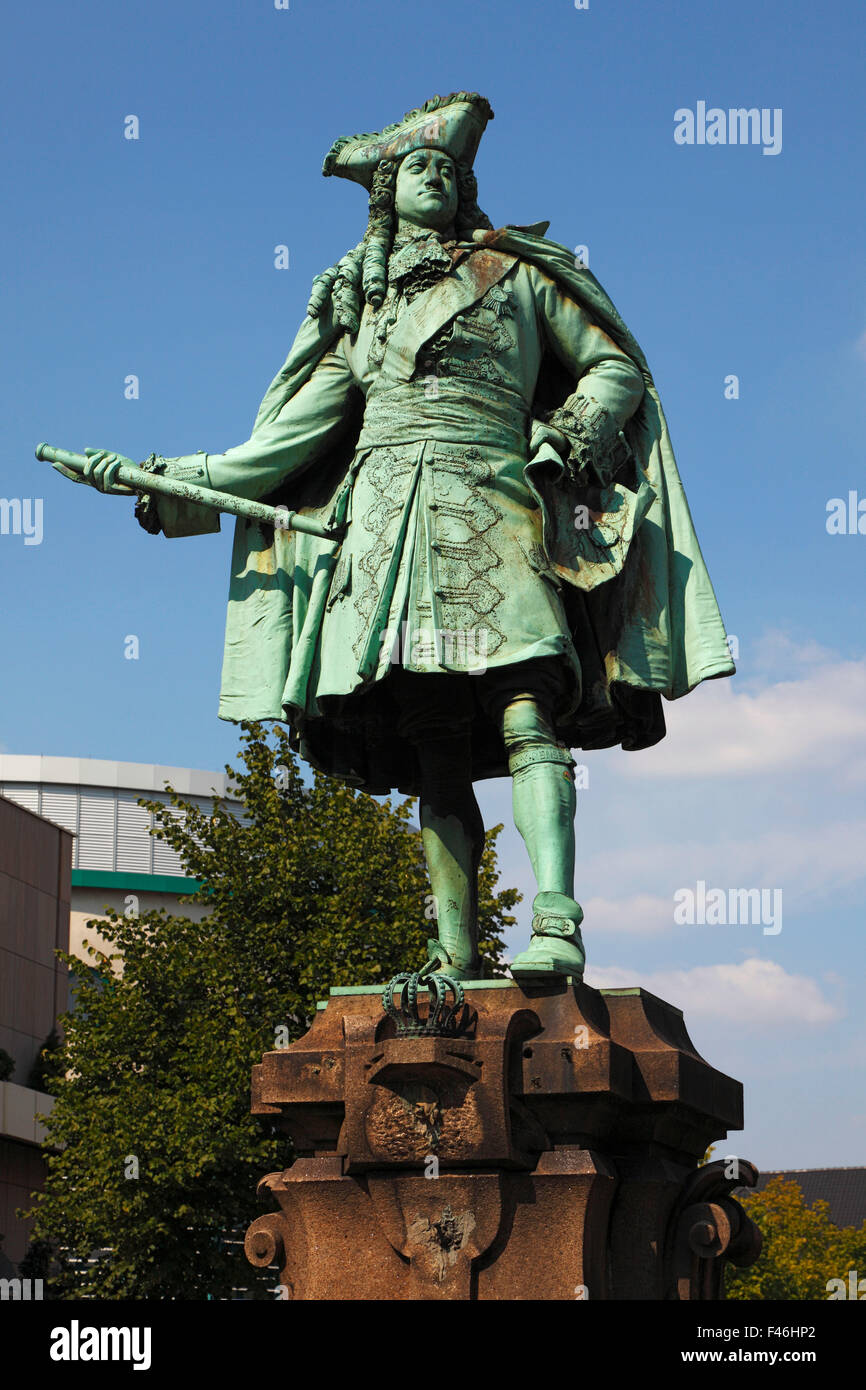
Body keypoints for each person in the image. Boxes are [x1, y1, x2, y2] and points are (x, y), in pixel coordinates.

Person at [81, 92, 734, 982]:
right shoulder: (365, 308)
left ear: (465, 189)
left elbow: (615, 365)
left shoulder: (519, 274)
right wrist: (174, 486)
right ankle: (454, 951)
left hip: (494, 506)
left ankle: (556, 924)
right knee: (433, 746)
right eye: (415, 169)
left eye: (447, 169)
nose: (434, 177)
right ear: (386, 196)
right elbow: (283, 447)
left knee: (526, 706)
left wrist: (570, 429)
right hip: (386, 536)